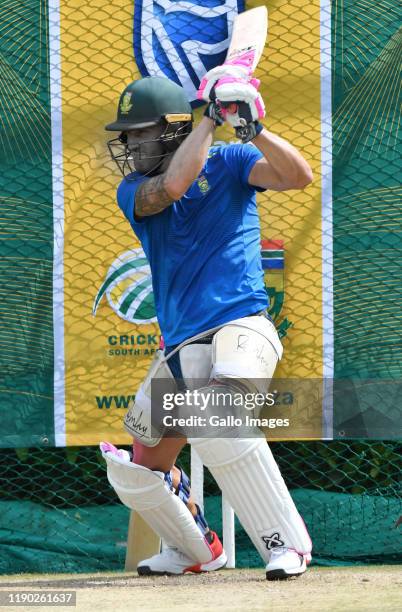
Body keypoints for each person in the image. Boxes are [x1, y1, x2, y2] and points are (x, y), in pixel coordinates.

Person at [100, 63, 313, 580]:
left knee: (215, 415)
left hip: (241, 326)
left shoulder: (234, 160)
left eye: (140, 133)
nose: (130, 145)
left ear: (173, 126)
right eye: (126, 135)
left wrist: (253, 128)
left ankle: (288, 545)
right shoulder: (134, 190)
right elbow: (174, 185)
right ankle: (196, 550)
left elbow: (299, 176)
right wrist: (212, 118)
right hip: (180, 343)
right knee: (137, 468)